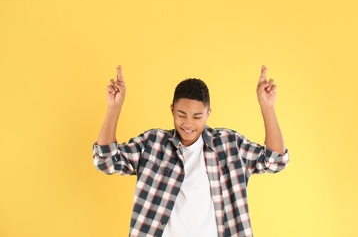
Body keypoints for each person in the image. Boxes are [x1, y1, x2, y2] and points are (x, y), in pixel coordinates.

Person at [93, 65, 289, 237]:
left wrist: (267, 106)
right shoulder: (153, 144)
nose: (188, 123)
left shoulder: (229, 145)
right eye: (181, 115)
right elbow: (106, 161)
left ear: (208, 114)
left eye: (197, 117)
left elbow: (275, 160)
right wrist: (114, 107)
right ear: (172, 110)